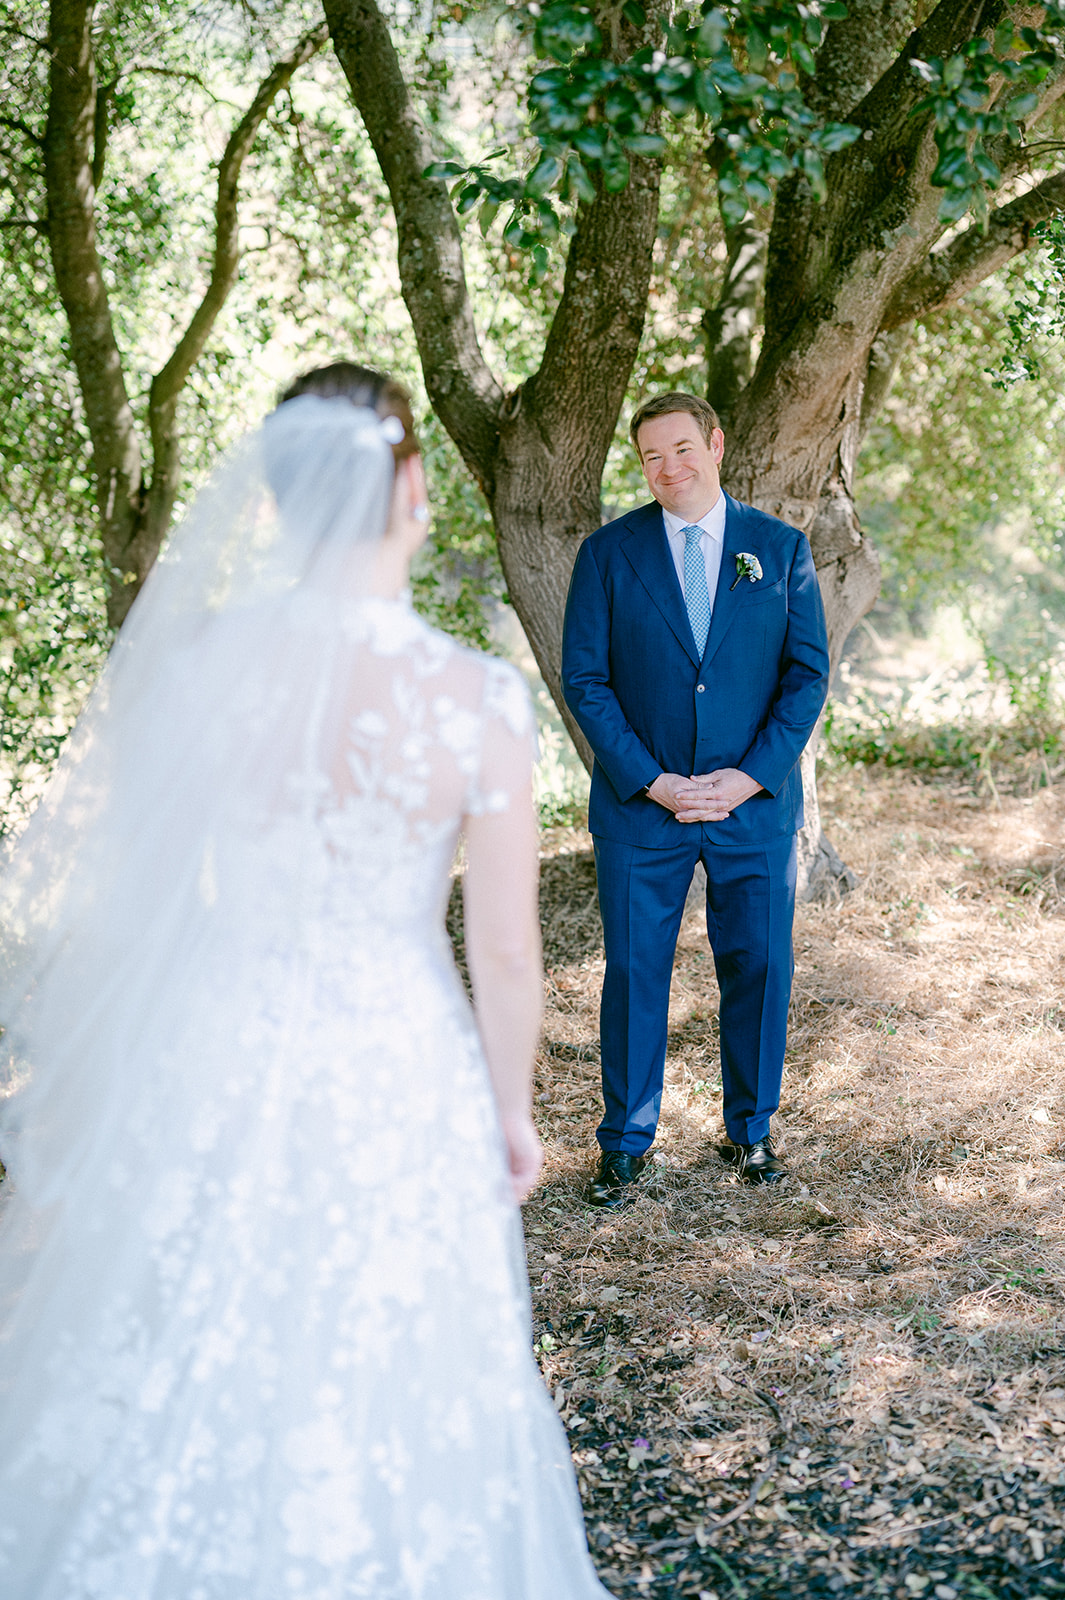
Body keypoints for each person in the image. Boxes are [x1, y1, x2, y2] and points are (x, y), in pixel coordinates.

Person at [0, 363, 613, 1599]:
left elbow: (145, 890)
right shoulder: (478, 700)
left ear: (276, 502)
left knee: (190, 1319)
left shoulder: (199, 668)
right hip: (390, 1052)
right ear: (411, 495)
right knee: (380, 1331)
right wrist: (508, 1109)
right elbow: (501, 950)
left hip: (211, 1035)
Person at [561, 392, 830, 1207]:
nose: (668, 468)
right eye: (650, 457)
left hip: (749, 804)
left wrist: (748, 776)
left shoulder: (777, 550)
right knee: (636, 971)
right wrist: (652, 779)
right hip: (643, 806)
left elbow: (806, 675)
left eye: (681, 449)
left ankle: (749, 1134)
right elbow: (586, 679)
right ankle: (626, 1145)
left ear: (714, 445)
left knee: (759, 966)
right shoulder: (608, 554)